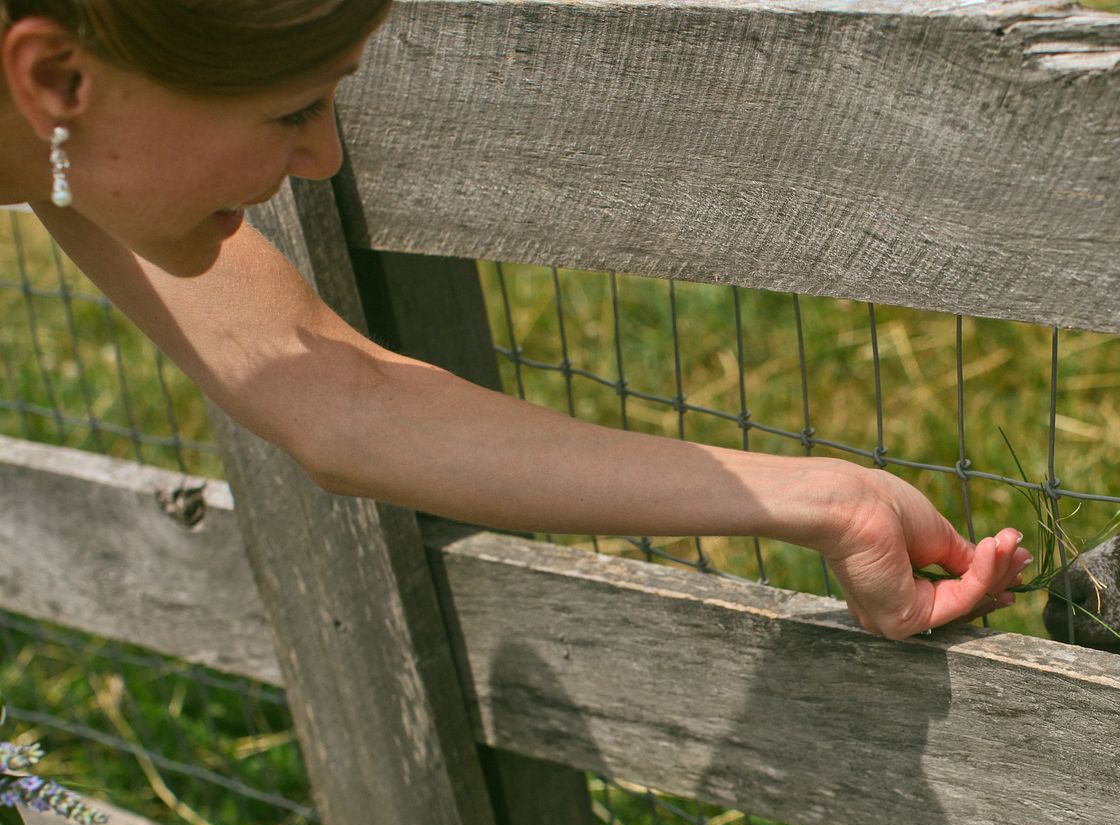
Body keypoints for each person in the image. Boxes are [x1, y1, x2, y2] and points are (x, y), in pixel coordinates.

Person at [0, 1, 1032, 639]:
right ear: (54, 79)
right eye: (290, 111)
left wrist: (827, 500)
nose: (321, 159)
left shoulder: (72, 148)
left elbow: (347, 405)